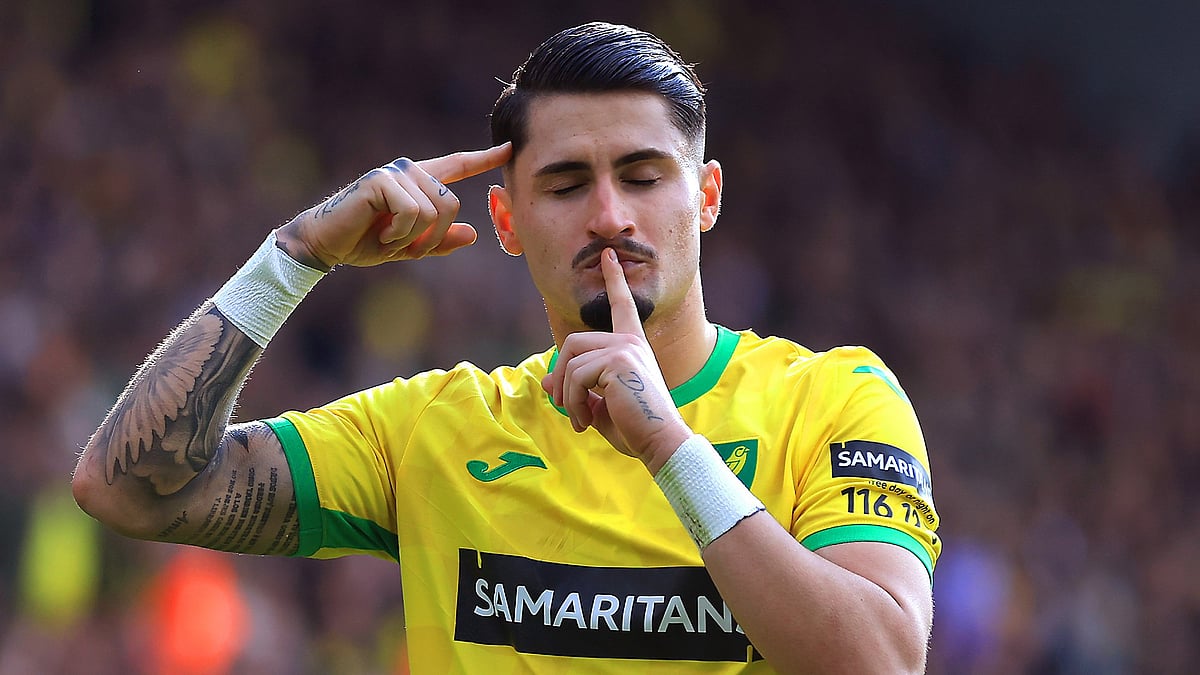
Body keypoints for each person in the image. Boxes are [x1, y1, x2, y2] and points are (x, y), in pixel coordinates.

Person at [72, 22, 940, 673]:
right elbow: (128, 489)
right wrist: (293, 258)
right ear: (507, 220)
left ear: (706, 196)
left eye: (643, 175)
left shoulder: (834, 399)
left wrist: (671, 448)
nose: (609, 214)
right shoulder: (432, 433)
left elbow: (880, 659)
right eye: (566, 184)